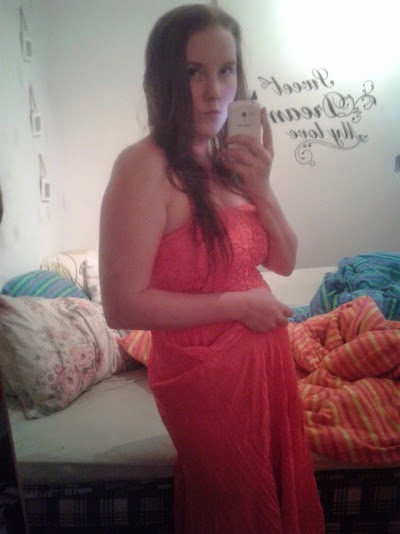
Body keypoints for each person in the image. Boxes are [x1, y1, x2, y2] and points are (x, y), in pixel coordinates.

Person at [99, 4, 324, 533]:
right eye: (193, 72)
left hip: (265, 369)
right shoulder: (142, 166)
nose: (215, 91)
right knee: (238, 508)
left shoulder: (228, 163)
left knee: (273, 490)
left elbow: (285, 261)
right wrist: (240, 305)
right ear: (163, 80)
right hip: (205, 381)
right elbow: (121, 305)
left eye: (226, 70)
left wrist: (263, 186)